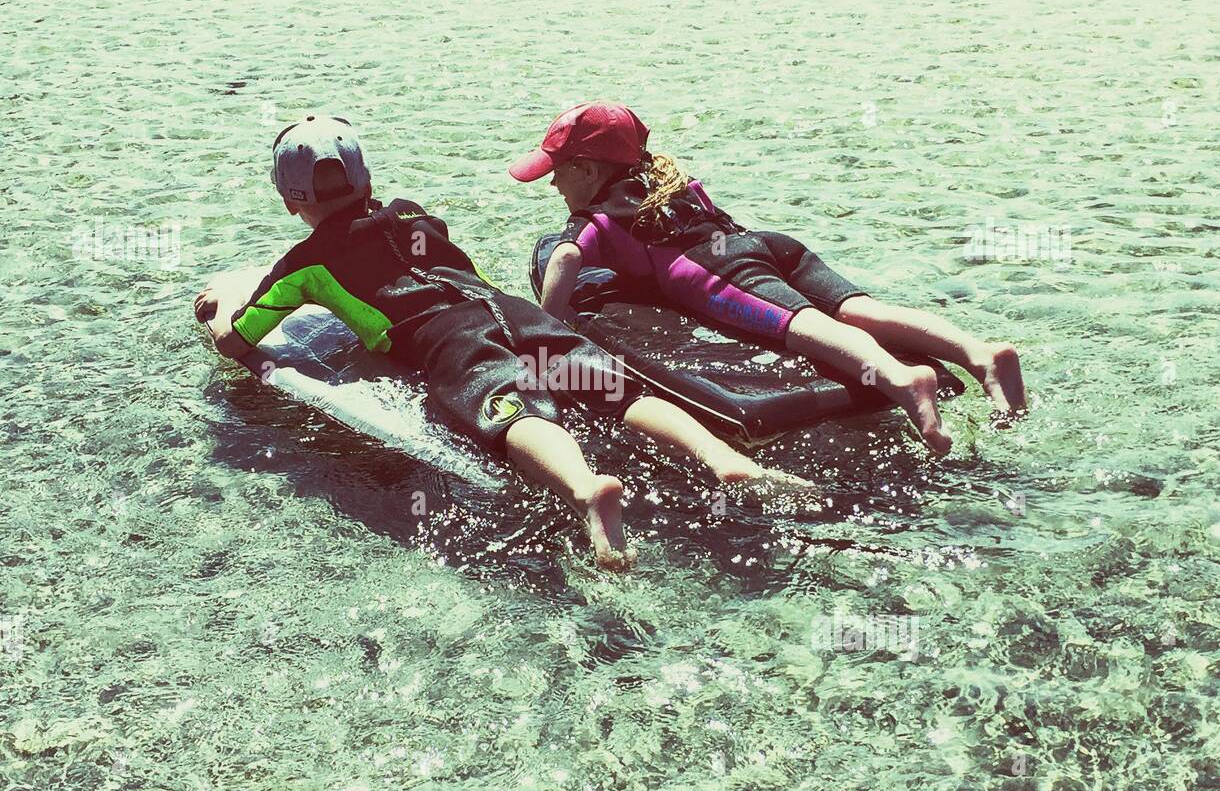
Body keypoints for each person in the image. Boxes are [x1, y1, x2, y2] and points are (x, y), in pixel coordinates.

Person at [195, 115, 810, 569]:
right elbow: (454, 265)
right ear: (368, 178)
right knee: (611, 390)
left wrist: (223, 306)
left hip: (449, 338)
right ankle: (725, 460)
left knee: (511, 409)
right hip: (510, 311)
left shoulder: (305, 263)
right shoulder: (412, 215)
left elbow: (240, 340)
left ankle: (585, 489)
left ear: (288, 199)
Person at [512, 102, 1027, 455]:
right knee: (859, 310)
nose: (553, 182)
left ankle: (902, 379)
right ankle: (978, 353)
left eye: (557, 170)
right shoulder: (660, 180)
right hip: (767, 244)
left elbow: (564, 260)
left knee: (802, 326)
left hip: (716, 273)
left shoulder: (601, 212)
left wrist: (551, 329)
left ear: (584, 169)